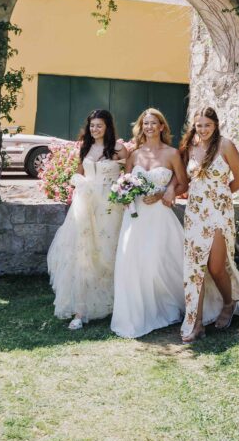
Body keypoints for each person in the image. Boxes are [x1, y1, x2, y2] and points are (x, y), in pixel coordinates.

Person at [110, 108, 190, 339]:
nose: (149, 127)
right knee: (132, 262)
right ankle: (137, 314)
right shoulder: (135, 155)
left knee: (158, 263)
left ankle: (168, 306)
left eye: (154, 123)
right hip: (134, 217)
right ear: (141, 127)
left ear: (162, 126)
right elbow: (124, 181)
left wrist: (167, 190)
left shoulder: (172, 153)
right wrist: (123, 195)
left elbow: (183, 183)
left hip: (159, 216)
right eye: (146, 123)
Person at [179, 107, 239, 343]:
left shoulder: (225, 146)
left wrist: (220, 195)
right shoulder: (190, 148)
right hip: (194, 214)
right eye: (199, 125)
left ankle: (229, 302)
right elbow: (184, 180)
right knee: (195, 270)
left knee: (215, 267)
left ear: (215, 125)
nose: (203, 130)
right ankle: (196, 323)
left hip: (219, 215)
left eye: (207, 125)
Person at [46, 110, 129, 329]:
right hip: (86, 205)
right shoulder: (85, 147)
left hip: (110, 206)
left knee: (108, 251)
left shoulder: (119, 149)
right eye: (92, 125)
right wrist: (80, 184)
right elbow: (79, 173)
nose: (95, 129)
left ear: (108, 127)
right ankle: (81, 310)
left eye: (99, 125)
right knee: (83, 252)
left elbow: (128, 178)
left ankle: (114, 302)